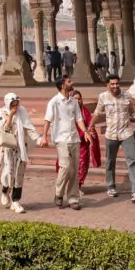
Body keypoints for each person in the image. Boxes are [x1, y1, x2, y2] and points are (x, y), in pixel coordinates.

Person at [88, 74, 135, 202]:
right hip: (111, 134)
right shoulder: (103, 97)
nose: (115, 86)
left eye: (117, 83)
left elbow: (133, 112)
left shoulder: (127, 96)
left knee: (132, 161)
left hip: (126, 133)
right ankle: (111, 186)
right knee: (110, 161)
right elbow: (97, 113)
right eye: (112, 84)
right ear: (108, 85)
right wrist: (89, 127)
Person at [40, 75, 87, 210]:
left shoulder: (73, 101)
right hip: (61, 138)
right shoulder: (54, 102)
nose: (71, 82)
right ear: (62, 85)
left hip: (74, 137)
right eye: (68, 81)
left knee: (74, 169)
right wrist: (44, 136)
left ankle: (73, 198)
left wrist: (85, 131)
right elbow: (47, 119)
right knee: (65, 166)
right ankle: (59, 193)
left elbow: (78, 119)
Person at [0, 92, 40, 214]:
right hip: (8, 148)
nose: (15, 106)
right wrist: (10, 115)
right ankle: (5, 191)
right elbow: (5, 128)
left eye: (16, 104)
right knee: (8, 172)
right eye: (12, 104)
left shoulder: (22, 111)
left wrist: (38, 139)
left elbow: (29, 127)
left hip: (20, 147)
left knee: (19, 175)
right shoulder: (1, 112)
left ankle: (16, 201)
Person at [54, 89, 100, 194]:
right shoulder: (65, 112)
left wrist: (90, 131)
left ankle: (77, 187)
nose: (78, 101)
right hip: (68, 142)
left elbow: (89, 124)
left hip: (82, 144)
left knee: (82, 165)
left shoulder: (84, 111)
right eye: (75, 99)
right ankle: (64, 187)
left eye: (80, 99)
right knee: (67, 166)